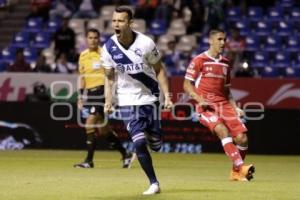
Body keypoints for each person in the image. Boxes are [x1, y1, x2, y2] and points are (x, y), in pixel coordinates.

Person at [102, 6, 173, 195]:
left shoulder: (146, 43)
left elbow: (159, 70)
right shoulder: (108, 48)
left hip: (150, 98)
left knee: (156, 145)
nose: (116, 24)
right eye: (114, 20)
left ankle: (155, 136)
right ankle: (154, 183)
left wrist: (167, 96)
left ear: (130, 23)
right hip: (126, 100)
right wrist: (108, 100)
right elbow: (109, 77)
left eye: (121, 21)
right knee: (139, 142)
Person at [183, 29, 255, 182]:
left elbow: (227, 91)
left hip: (224, 104)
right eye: (219, 39)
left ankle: (236, 173)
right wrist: (198, 99)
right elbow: (186, 85)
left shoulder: (225, 63)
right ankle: (241, 167)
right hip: (206, 106)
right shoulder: (199, 60)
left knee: (242, 139)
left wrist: (235, 107)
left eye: (224, 40)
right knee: (222, 131)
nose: (223, 43)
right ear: (210, 41)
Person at [73, 28, 134, 169]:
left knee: (89, 123)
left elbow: (112, 76)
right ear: (86, 39)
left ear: (99, 39)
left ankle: (88, 161)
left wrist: (110, 98)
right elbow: (82, 77)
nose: (93, 40)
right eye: (90, 37)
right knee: (103, 130)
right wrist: (80, 96)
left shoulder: (105, 54)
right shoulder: (82, 56)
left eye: (95, 37)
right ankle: (126, 155)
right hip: (91, 94)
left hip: (102, 92)